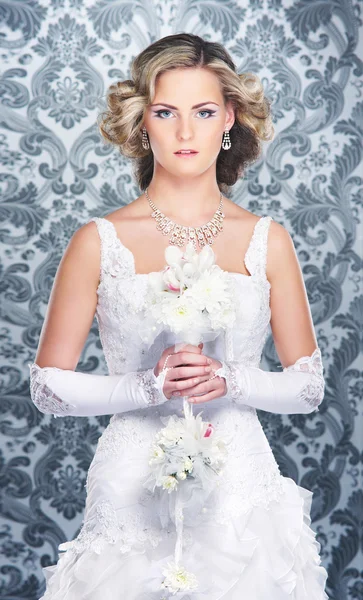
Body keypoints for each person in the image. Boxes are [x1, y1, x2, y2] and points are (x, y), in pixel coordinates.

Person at [28, 33, 329, 599]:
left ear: (229, 119)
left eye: (204, 111)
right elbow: (47, 386)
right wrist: (144, 388)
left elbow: (308, 386)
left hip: (241, 495)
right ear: (144, 123)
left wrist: (232, 381)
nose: (185, 132)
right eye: (166, 112)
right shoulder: (99, 241)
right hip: (129, 492)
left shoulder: (269, 241)